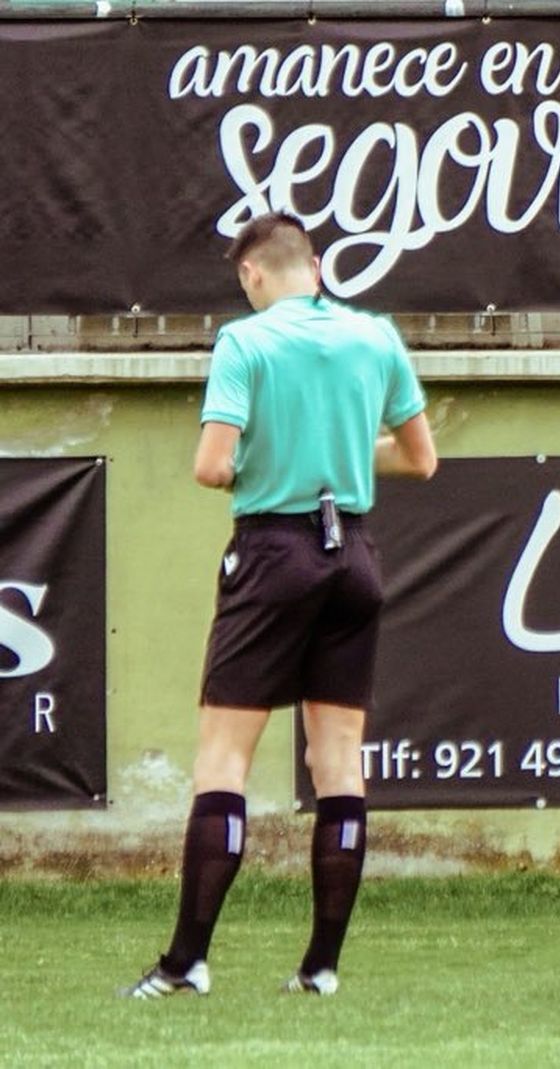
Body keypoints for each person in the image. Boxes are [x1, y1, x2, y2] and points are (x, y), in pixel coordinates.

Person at [119, 211, 437, 999]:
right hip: (354, 554)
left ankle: (187, 960)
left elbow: (210, 465)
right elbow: (420, 459)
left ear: (251, 275)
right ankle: (321, 967)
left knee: (224, 758)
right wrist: (333, 453)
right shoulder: (376, 337)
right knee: (338, 763)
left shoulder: (246, 342)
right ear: (318, 265)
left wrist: (270, 460)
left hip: (273, 552)